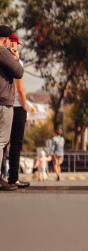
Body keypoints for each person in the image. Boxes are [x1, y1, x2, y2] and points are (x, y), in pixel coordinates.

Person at [0, 25, 24, 191]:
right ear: (7, 39)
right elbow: (19, 72)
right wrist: (15, 57)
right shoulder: (3, 52)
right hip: (3, 101)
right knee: (2, 141)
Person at [6, 33, 30, 188]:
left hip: (5, 104)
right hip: (16, 106)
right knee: (16, 144)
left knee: (3, 143)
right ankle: (13, 177)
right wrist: (25, 106)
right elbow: (20, 89)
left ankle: (3, 175)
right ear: (11, 43)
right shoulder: (15, 61)